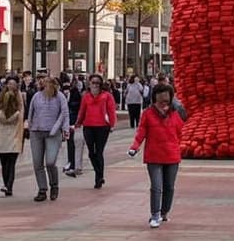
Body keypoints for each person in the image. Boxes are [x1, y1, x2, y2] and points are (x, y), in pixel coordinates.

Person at [128, 82, 184, 228]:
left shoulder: (175, 113)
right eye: (160, 102)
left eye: (166, 101)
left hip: (172, 155)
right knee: (156, 186)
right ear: (154, 100)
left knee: (169, 186)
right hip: (154, 156)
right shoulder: (148, 114)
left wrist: (177, 146)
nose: (163, 105)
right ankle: (155, 214)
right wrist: (135, 147)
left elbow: (180, 132)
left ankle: (165, 212)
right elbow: (141, 132)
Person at [26, 76, 69, 201]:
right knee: (37, 163)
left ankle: (54, 185)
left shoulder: (60, 96)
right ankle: (42, 189)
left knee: (50, 162)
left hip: (53, 133)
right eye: (44, 84)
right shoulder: (37, 96)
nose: (46, 86)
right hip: (37, 132)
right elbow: (31, 112)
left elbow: (64, 113)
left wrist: (64, 129)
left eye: (49, 84)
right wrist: (29, 127)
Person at [0, 75, 25, 196]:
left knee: (7, 163)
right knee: (8, 163)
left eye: (13, 83)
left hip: (5, 135)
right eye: (9, 83)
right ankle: (8, 186)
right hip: (12, 135)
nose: (11, 85)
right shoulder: (17, 104)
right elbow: (21, 112)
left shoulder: (2, 108)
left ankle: (7, 185)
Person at [75, 72, 117, 189]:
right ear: (89, 84)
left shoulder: (107, 96)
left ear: (101, 84)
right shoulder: (86, 96)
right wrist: (78, 123)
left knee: (99, 152)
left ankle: (99, 177)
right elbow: (82, 111)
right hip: (88, 126)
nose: (95, 85)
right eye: (93, 83)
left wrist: (112, 124)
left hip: (102, 127)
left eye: (97, 83)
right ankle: (99, 173)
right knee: (91, 153)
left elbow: (111, 110)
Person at [64, 78, 85, 177]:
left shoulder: (75, 93)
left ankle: (73, 164)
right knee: (72, 143)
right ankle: (73, 163)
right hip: (72, 121)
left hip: (74, 121)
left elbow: (76, 106)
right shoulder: (73, 94)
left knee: (73, 143)